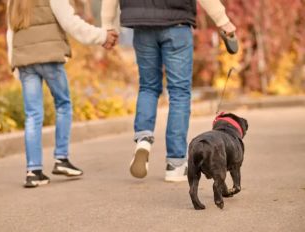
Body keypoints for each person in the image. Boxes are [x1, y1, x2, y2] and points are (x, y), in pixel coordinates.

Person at [101, 0, 236, 182]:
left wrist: (108, 25)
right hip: (177, 24)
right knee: (179, 92)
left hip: (142, 25)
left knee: (148, 86)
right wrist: (223, 20)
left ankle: (144, 138)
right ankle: (175, 163)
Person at [6, 0, 118, 188]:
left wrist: (14, 64)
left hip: (24, 61)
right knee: (63, 104)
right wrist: (101, 36)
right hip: (49, 57)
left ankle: (33, 171)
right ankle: (61, 159)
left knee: (32, 115)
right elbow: (70, 23)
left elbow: (10, 33)